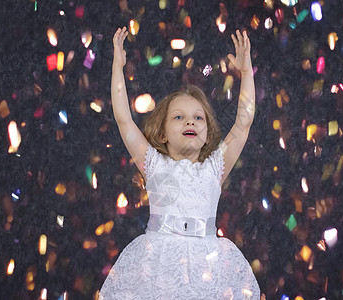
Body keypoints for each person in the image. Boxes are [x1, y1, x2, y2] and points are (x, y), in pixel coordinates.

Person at [99, 26, 260, 299]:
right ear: (162, 133)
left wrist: (246, 73)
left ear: (207, 131)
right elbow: (123, 118)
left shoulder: (214, 168)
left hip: (208, 268)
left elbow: (243, 123)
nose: (190, 122)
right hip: (158, 268)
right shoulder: (153, 164)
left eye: (198, 118)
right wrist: (117, 66)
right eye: (179, 117)